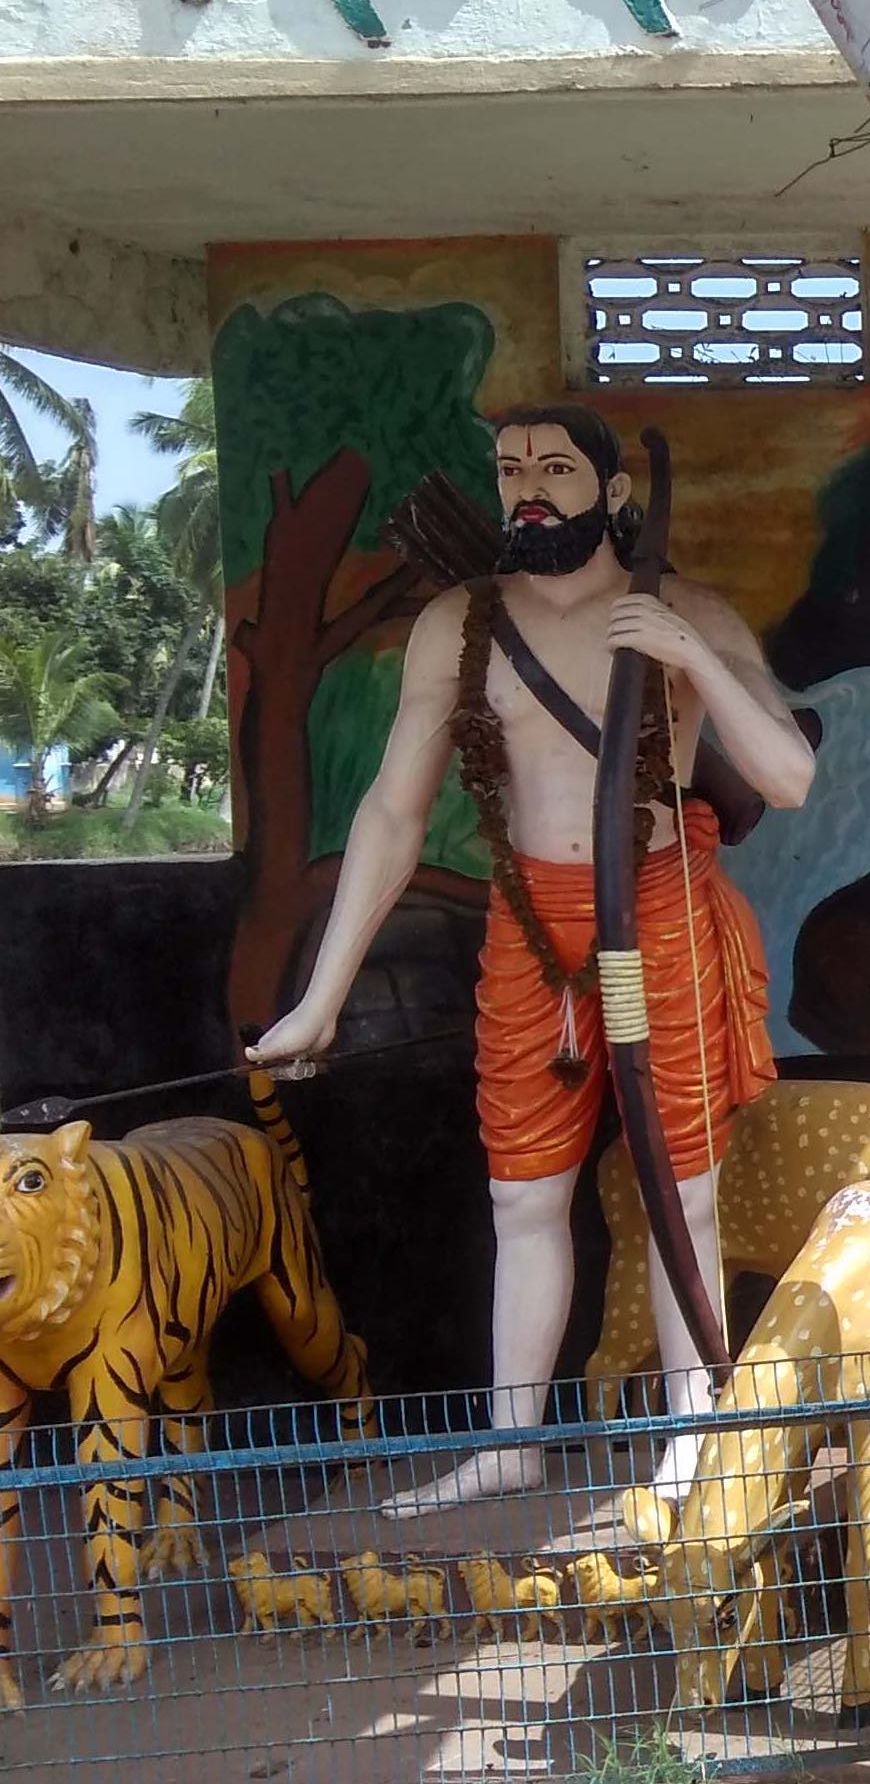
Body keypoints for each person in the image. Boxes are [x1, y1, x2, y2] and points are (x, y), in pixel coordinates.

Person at [249, 405, 816, 1512]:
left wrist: (688, 650)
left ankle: (691, 1424)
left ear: (612, 490)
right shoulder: (461, 623)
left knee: (674, 1189)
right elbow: (390, 815)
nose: (528, 487)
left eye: (555, 466)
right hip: (533, 928)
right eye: (511, 468)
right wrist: (320, 996)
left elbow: (789, 776)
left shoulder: (685, 607)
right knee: (524, 1198)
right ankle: (513, 1438)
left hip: (655, 909)